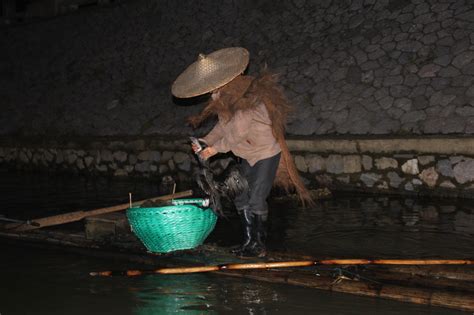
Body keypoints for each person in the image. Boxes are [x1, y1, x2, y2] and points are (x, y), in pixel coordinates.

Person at [172, 47, 314, 257]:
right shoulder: (224, 97)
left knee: (257, 198)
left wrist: (213, 150)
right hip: (247, 155)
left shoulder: (244, 95)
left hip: (265, 154)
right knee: (239, 195)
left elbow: (238, 130)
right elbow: (223, 126)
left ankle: (259, 246)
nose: (210, 92)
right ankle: (248, 241)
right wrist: (205, 140)